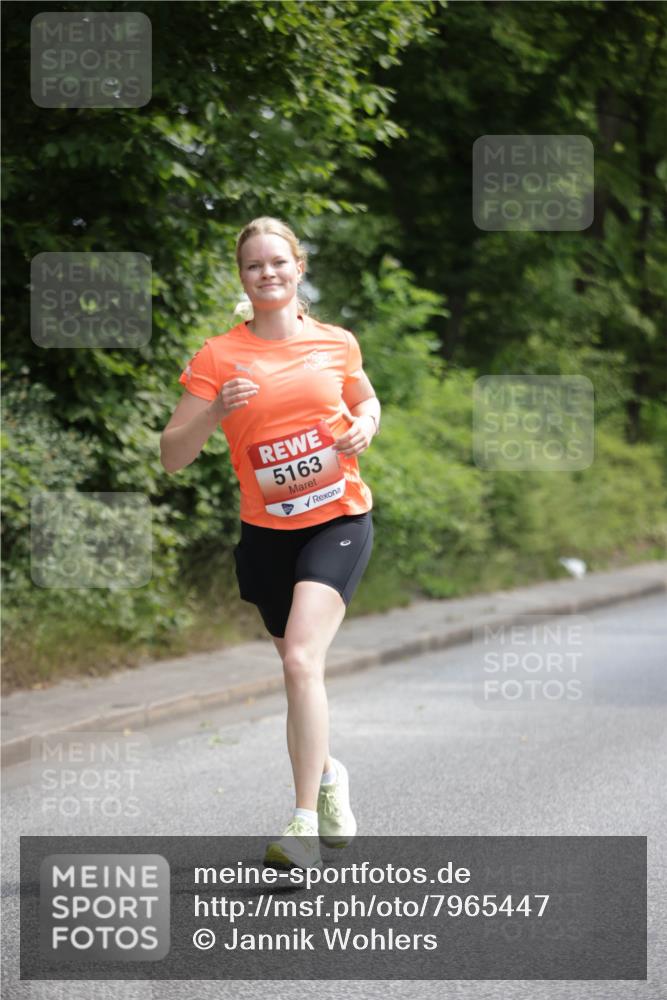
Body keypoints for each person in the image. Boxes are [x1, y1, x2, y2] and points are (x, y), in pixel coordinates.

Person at [160, 217, 380, 870]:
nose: (268, 274)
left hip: (336, 520)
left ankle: (302, 825)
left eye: (278, 262)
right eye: (254, 265)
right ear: (242, 277)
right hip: (264, 536)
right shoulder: (216, 356)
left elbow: (366, 401)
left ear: (298, 267)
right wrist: (213, 411)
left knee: (299, 664)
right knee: (297, 673)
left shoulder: (336, 344)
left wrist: (365, 425)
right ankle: (330, 776)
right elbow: (173, 456)